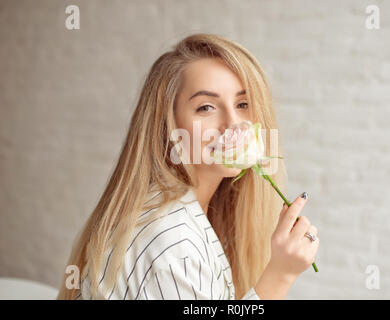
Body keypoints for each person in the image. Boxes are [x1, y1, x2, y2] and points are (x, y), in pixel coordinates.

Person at [56, 33, 319, 300]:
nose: (233, 123)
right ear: (168, 125)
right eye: (206, 107)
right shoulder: (173, 243)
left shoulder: (198, 215)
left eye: (242, 104)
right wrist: (279, 277)